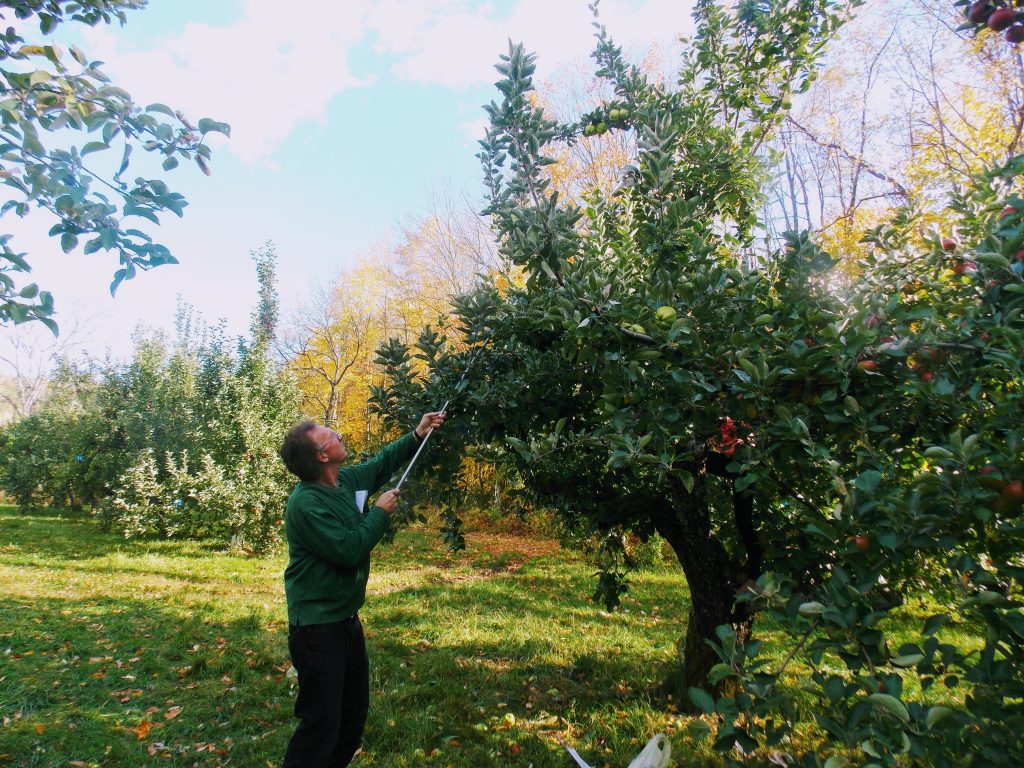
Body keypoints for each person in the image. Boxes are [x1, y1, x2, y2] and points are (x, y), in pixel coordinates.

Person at [278, 412, 446, 767]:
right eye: (330, 436)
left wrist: (418, 432)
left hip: (345, 622)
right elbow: (348, 550)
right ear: (322, 456)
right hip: (317, 628)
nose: (338, 435)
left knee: (351, 717)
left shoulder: (345, 481)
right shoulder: (306, 504)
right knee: (320, 725)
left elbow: (383, 462)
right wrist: (380, 513)